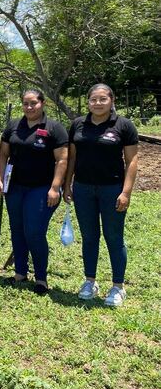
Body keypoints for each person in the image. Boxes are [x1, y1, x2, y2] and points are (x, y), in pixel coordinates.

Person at [64, 83, 138, 307]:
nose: (97, 103)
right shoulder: (78, 124)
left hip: (112, 189)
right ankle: (90, 281)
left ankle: (118, 287)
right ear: (88, 102)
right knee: (89, 237)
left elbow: (131, 161)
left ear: (112, 101)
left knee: (114, 237)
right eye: (93, 99)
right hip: (83, 189)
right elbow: (72, 158)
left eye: (102, 99)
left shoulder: (124, 126)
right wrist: (67, 185)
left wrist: (125, 192)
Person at [0, 89, 68, 295]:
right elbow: (3, 155)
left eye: (33, 103)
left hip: (42, 188)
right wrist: (0, 179)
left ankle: (41, 278)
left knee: (34, 232)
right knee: (17, 229)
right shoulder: (13, 126)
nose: (29, 107)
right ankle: (20, 273)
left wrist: (55, 187)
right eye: (26, 103)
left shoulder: (54, 128)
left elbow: (62, 160)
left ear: (42, 104)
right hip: (15, 187)